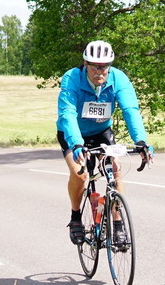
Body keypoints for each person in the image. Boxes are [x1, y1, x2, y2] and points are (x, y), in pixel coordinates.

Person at [56, 40, 153, 245]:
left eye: (104, 67)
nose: (99, 71)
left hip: (101, 131)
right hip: (73, 134)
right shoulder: (72, 78)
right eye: (94, 66)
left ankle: (117, 223)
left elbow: (130, 110)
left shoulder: (118, 79)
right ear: (85, 63)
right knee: (80, 174)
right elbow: (68, 113)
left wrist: (141, 141)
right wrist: (76, 143)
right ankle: (75, 218)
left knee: (115, 168)